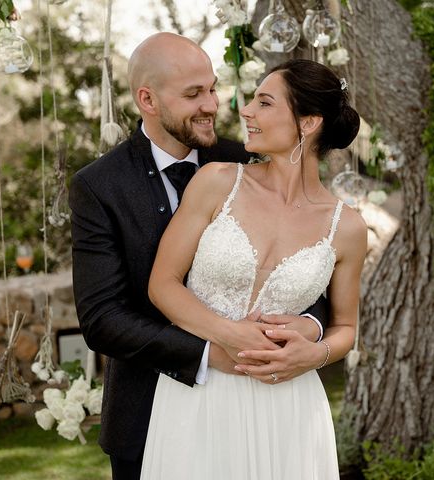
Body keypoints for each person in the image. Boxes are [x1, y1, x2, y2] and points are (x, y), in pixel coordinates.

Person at [69, 33, 328, 480]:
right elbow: (103, 319)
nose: (212, 104)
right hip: (145, 415)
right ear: (147, 99)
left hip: (260, 406)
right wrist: (217, 352)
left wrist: (308, 327)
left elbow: (311, 262)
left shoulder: (247, 159)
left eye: (212, 87)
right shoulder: (99, 186)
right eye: (193, 94)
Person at [141, 59, 367, 479]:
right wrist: (228, 334)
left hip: (290, 404)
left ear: (308, 122)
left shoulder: (348, 226)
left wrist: (314, 353)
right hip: (200, 397)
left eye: (264, 102)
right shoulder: (217, 181)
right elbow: (162, 285)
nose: (245, 110)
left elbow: (346, 329)